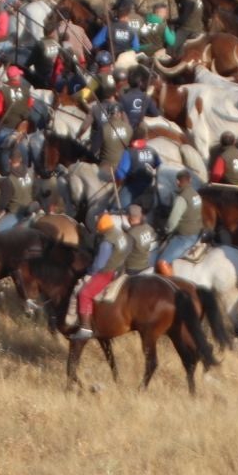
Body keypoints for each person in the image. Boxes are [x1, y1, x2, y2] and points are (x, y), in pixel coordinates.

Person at [68, 212, 126, 340]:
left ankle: (85, 327)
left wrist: (89, 272)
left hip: (107, 272)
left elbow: (99, 264)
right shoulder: (119, 233)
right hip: (120, 268)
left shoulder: (106, 242)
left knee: (84, 294)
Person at [159, 170, 204, 267]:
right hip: (198, 232)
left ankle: (172, 282)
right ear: (190, 180)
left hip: (185, 237)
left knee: (162, 263)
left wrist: (166, 230)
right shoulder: (196, 194)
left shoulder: (182, 198)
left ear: (177, 182)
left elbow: (172, 222)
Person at [0, 66, 31, 158]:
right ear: (17, 76)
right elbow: (30, 104)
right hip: (22, 127)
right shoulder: (26, 89)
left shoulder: (2, 90)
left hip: (7, 127)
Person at [114, 136, 159, 211]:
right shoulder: (152, 151)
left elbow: (120, 174)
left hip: (132, 187)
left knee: (116, 209)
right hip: (149, 187)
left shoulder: (129, 152)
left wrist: (117, 177)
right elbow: (159, 165)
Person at [94, 1, 142, 68]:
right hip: (127, 63)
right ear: (126, 16)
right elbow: (136, 48)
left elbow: (95, 43)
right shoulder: (132, 30)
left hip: (111, 62)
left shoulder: (108, 27)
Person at [121, 204, 159, 276]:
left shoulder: (130, 234)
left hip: (132, 268)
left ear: (129, 217)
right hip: (146, 264)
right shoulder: (148, 227)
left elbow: (123, 253)